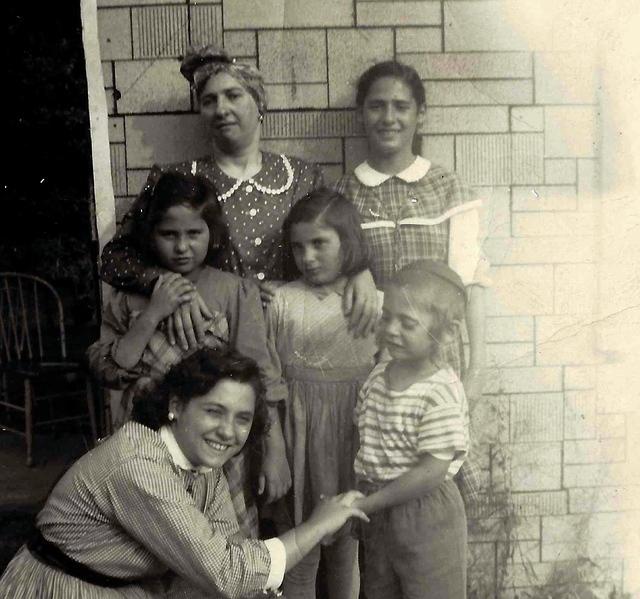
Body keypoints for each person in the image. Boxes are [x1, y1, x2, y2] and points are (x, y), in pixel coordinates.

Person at [0, 347, 369, 599]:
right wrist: (317, 525)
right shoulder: (139, 465)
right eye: (214, 411)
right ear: (176, 406)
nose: (228, 431)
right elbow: (225, 572)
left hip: (122, 587)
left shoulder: (203, 461)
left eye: (243, 418)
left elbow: (230, 549)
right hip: (64, 589)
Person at [100, 45, 378, 352]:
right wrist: (171, 286)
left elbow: (337, 238)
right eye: (209, 101)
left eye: (233, 96)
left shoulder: (301, 176)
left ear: (259, 104)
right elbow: (115, 258)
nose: (221, 109)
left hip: (287, 334)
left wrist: (360, 271)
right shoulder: (174, 178)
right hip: (207, 334)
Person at [88, 170, 288, 538]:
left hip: (217, 450)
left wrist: (275, 452)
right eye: (169, 234)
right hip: (147, 444)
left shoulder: (233, 292)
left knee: (219, 541)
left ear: (212, 235)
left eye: (194, 233)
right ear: (150, 235)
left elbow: (258, 374)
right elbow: (111, 367)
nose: (182, 247)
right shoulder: (130, 298)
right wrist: (154, 311)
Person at [334, 59, 489, 503]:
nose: (389, 117)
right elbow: (335, 267)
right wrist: (358, 266)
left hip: (436, 364)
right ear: (361, 114)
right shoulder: (344, 194)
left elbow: (470, 285)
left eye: (401, 107)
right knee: (376, 492)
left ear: (421, 115)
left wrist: (477, 371)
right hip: (370, 363)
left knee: (437, 491)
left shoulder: (447, 187)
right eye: (377, 106)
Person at [264, 189, 381, 599]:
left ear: (347, 244)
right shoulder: (283, 300)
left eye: (319, 244)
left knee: (345, 548)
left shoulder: (369, 302)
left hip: (349, 436)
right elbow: (269, 378)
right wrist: (273, 444)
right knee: (299, 545)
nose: (308, 257)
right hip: (299, 435)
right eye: (298, 247)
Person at [352, 260, 470, 599]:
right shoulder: (377, 376)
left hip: (426, 512)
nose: (391, 330)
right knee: (378, 590)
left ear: (446, 332)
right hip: (378, 508)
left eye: (407, 323)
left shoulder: (439, 390)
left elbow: (432, 471)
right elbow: (364, 441)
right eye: (387, 316)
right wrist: (360, 494)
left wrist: (372, 503)